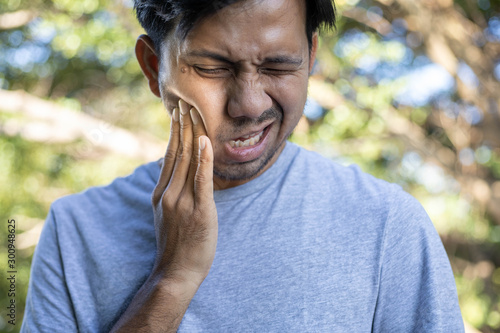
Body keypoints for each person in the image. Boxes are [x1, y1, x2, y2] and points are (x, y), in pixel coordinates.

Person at [21, 0, 464, 331]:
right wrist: (172, 278)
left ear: (310, 58)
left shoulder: (387, 226)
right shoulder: (75, 230)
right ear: (154, 66)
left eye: (277, 66)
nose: (250, 105)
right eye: (213, 67)